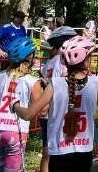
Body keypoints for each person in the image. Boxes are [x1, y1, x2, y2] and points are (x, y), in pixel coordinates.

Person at [13, 36, 98, 172]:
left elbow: (28, 115)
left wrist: (15, 105)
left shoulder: (55, 84)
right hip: (84, 151)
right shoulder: (95, 83)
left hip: (59, 151)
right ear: (86, 60)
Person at [0, 37, 38, 172]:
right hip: (16, 132)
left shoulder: (1, 76)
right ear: (29, 57)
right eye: (34, 54)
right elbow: (41, 110)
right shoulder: (32, 81)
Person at [36, 25, 77, 172]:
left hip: (47, 112)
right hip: (57, 112)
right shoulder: (64, 62)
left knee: (47, 151)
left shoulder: (50, 62)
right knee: (60, 152)